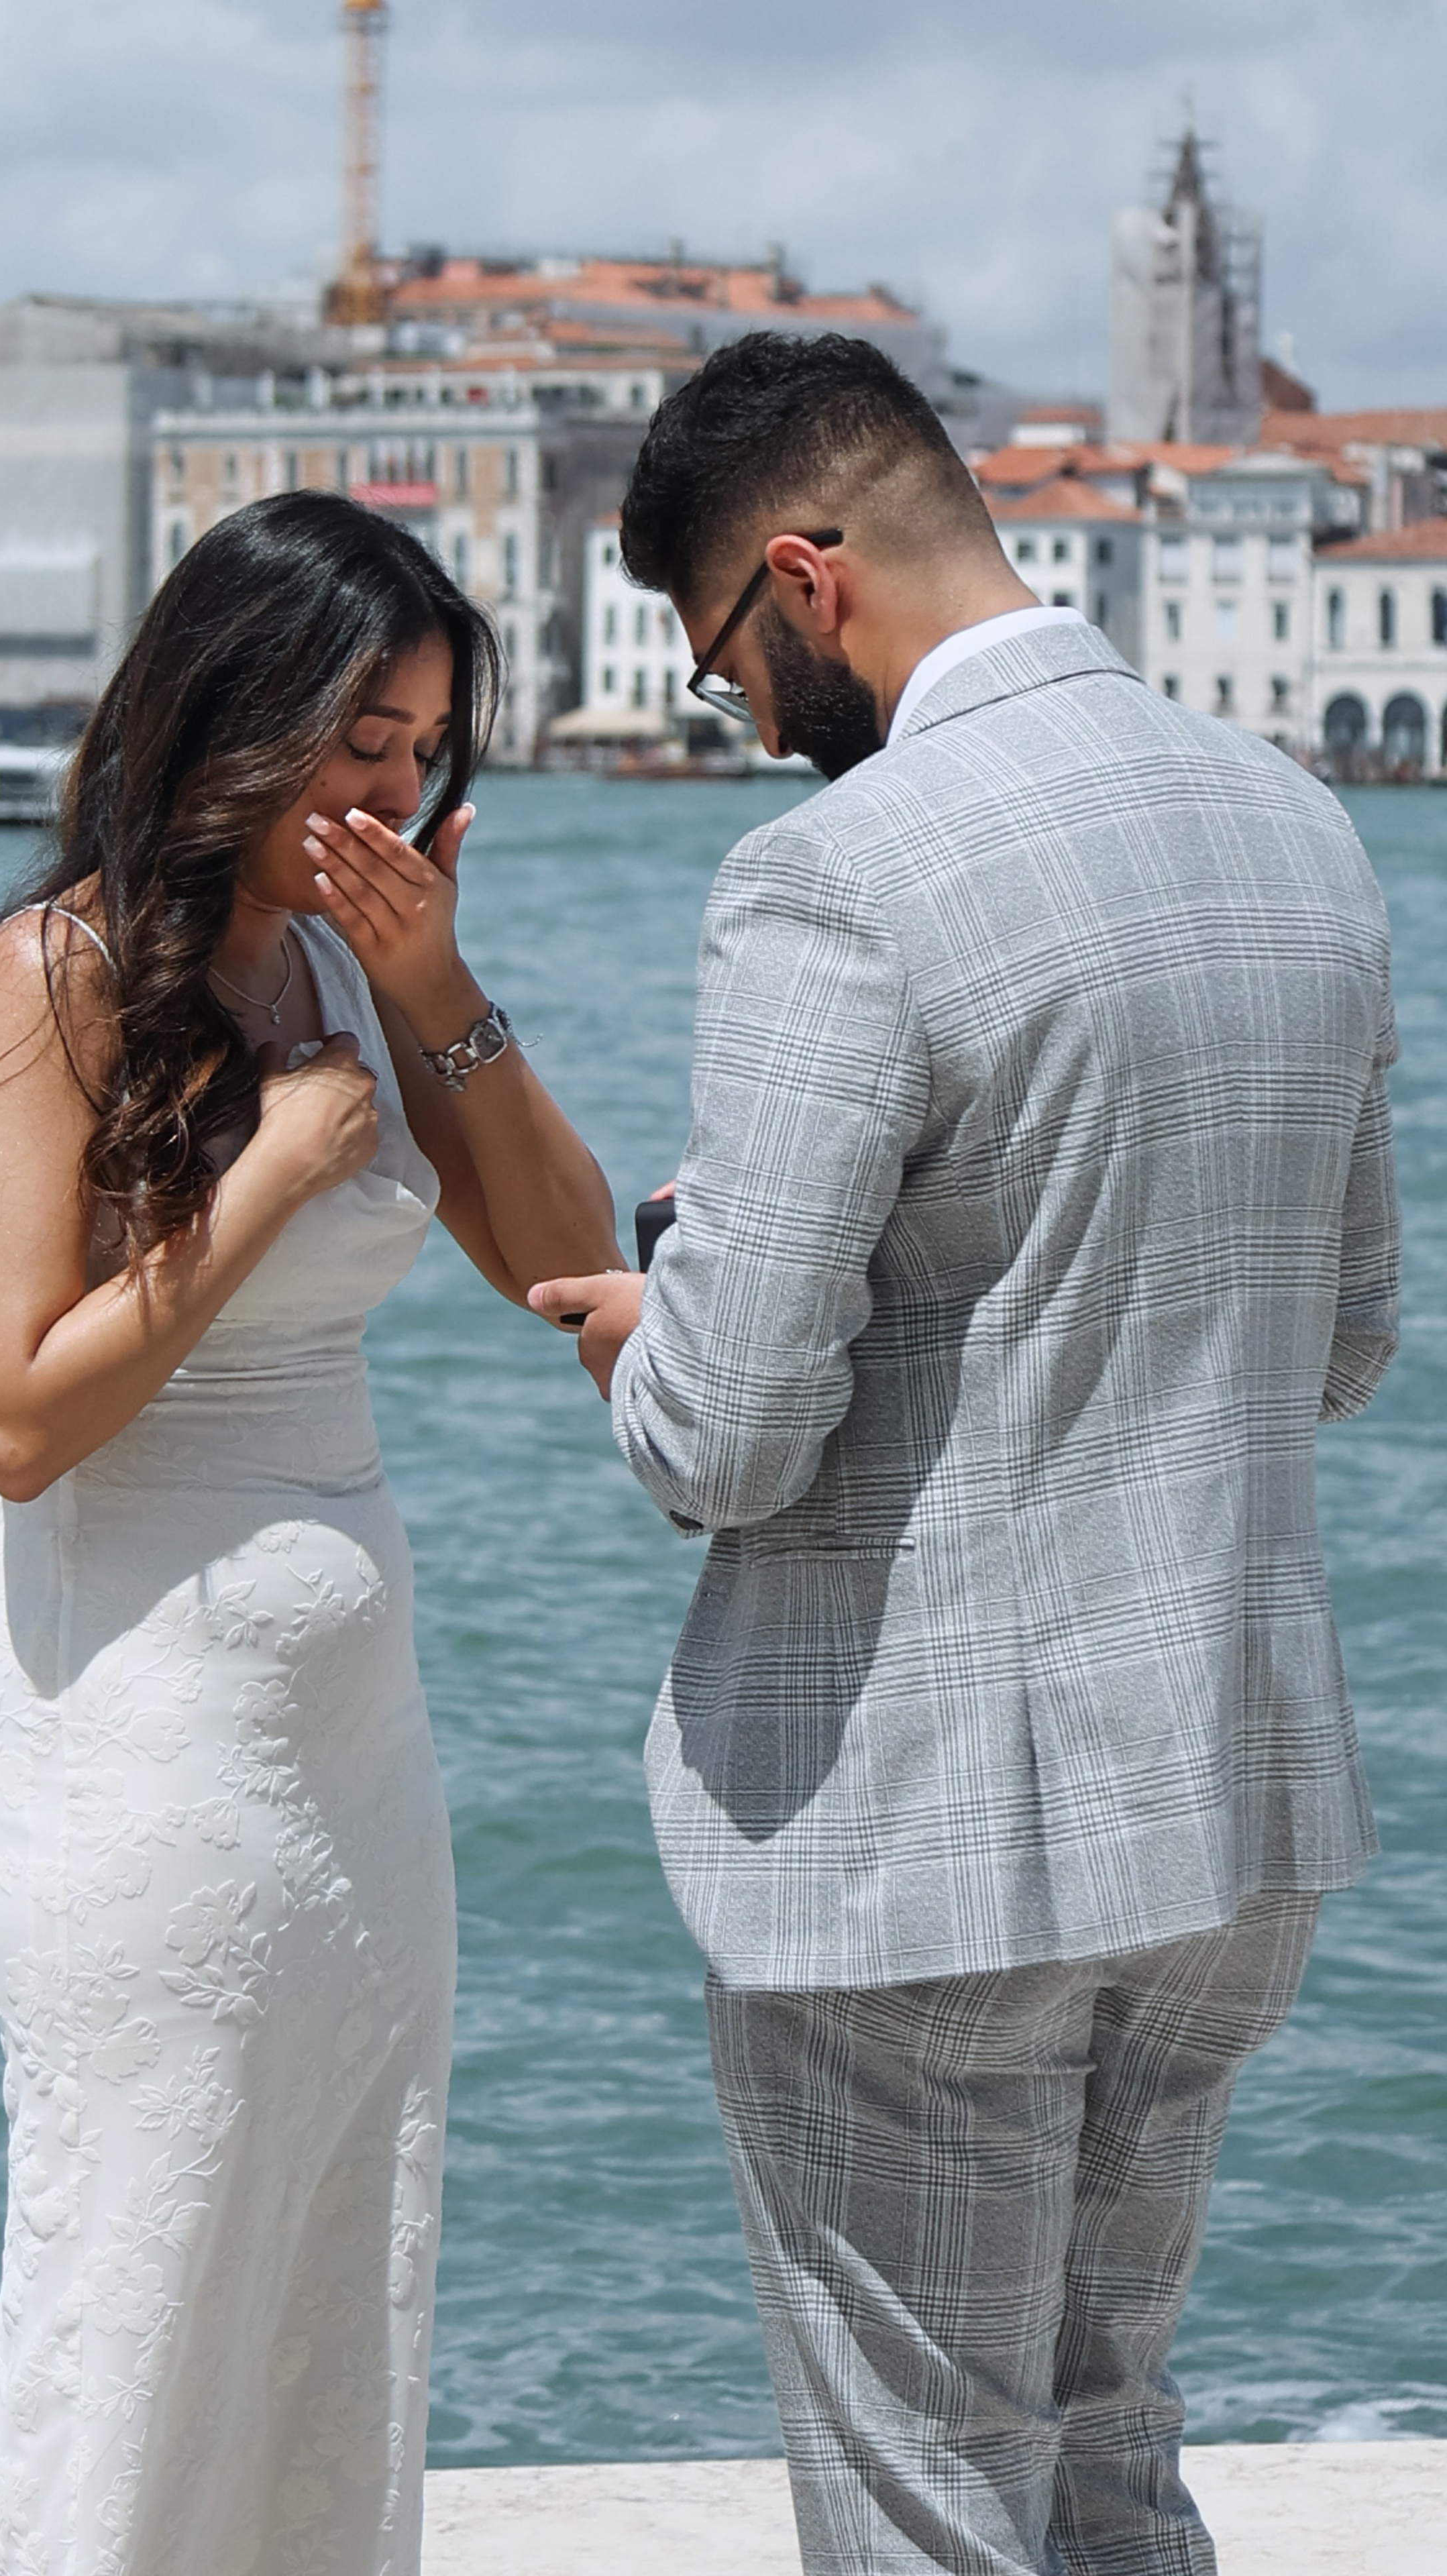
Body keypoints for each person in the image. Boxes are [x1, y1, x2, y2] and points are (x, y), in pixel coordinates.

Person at [531, 333, 1400, 2575]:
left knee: (929, 2502)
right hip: (1220, 1817)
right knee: (1112, 2455)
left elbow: (729, 1436)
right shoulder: (1298, 827)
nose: (731, 711)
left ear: (805, 581)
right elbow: (1348, 1340)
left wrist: (654, 1317)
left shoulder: (836, 875)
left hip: (924, 1849)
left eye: (720, 649)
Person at [0, 490, 621, 2576]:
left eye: (421, 748)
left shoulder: (356, 959)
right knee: (137, 2293)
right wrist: (273, 1166)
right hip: (135, 1755)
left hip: (354, 1760)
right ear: (237, 712)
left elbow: (576, 1275)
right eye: (362, 740)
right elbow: (15, 1420)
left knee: (339, 2270)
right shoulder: (43, 977)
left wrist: (437, 987)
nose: (396, 788)